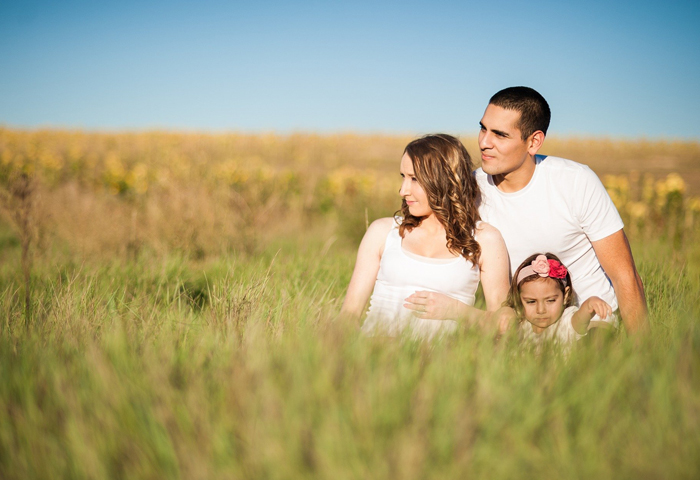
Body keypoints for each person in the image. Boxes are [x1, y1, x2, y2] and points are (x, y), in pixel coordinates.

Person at [474, 86, 648, 335]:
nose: (484, 142)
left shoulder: (576, 181)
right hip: (522, 328)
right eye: (483, 128)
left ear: (533, 142)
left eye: (499, 135)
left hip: (591, 325)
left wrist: (644, 357)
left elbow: (625, 276)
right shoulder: (470, 189)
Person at [340, 134, 510, 340]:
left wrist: (457, 310)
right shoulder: (383, 232)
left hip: (444, 366)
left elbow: (506, 324)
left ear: (445, 180)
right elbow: (348, 316)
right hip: (376, 358)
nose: (403, 190)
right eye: (403, 177)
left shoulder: (485, 239)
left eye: (414, 179)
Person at [505, 253, 613, 350]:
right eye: (531, 302)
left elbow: (580, 319)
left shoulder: (565, 322)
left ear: (565, 296)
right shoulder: (522, 326)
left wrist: (589, 304)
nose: (541, 310)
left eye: (550, 300)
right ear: (519, 299)